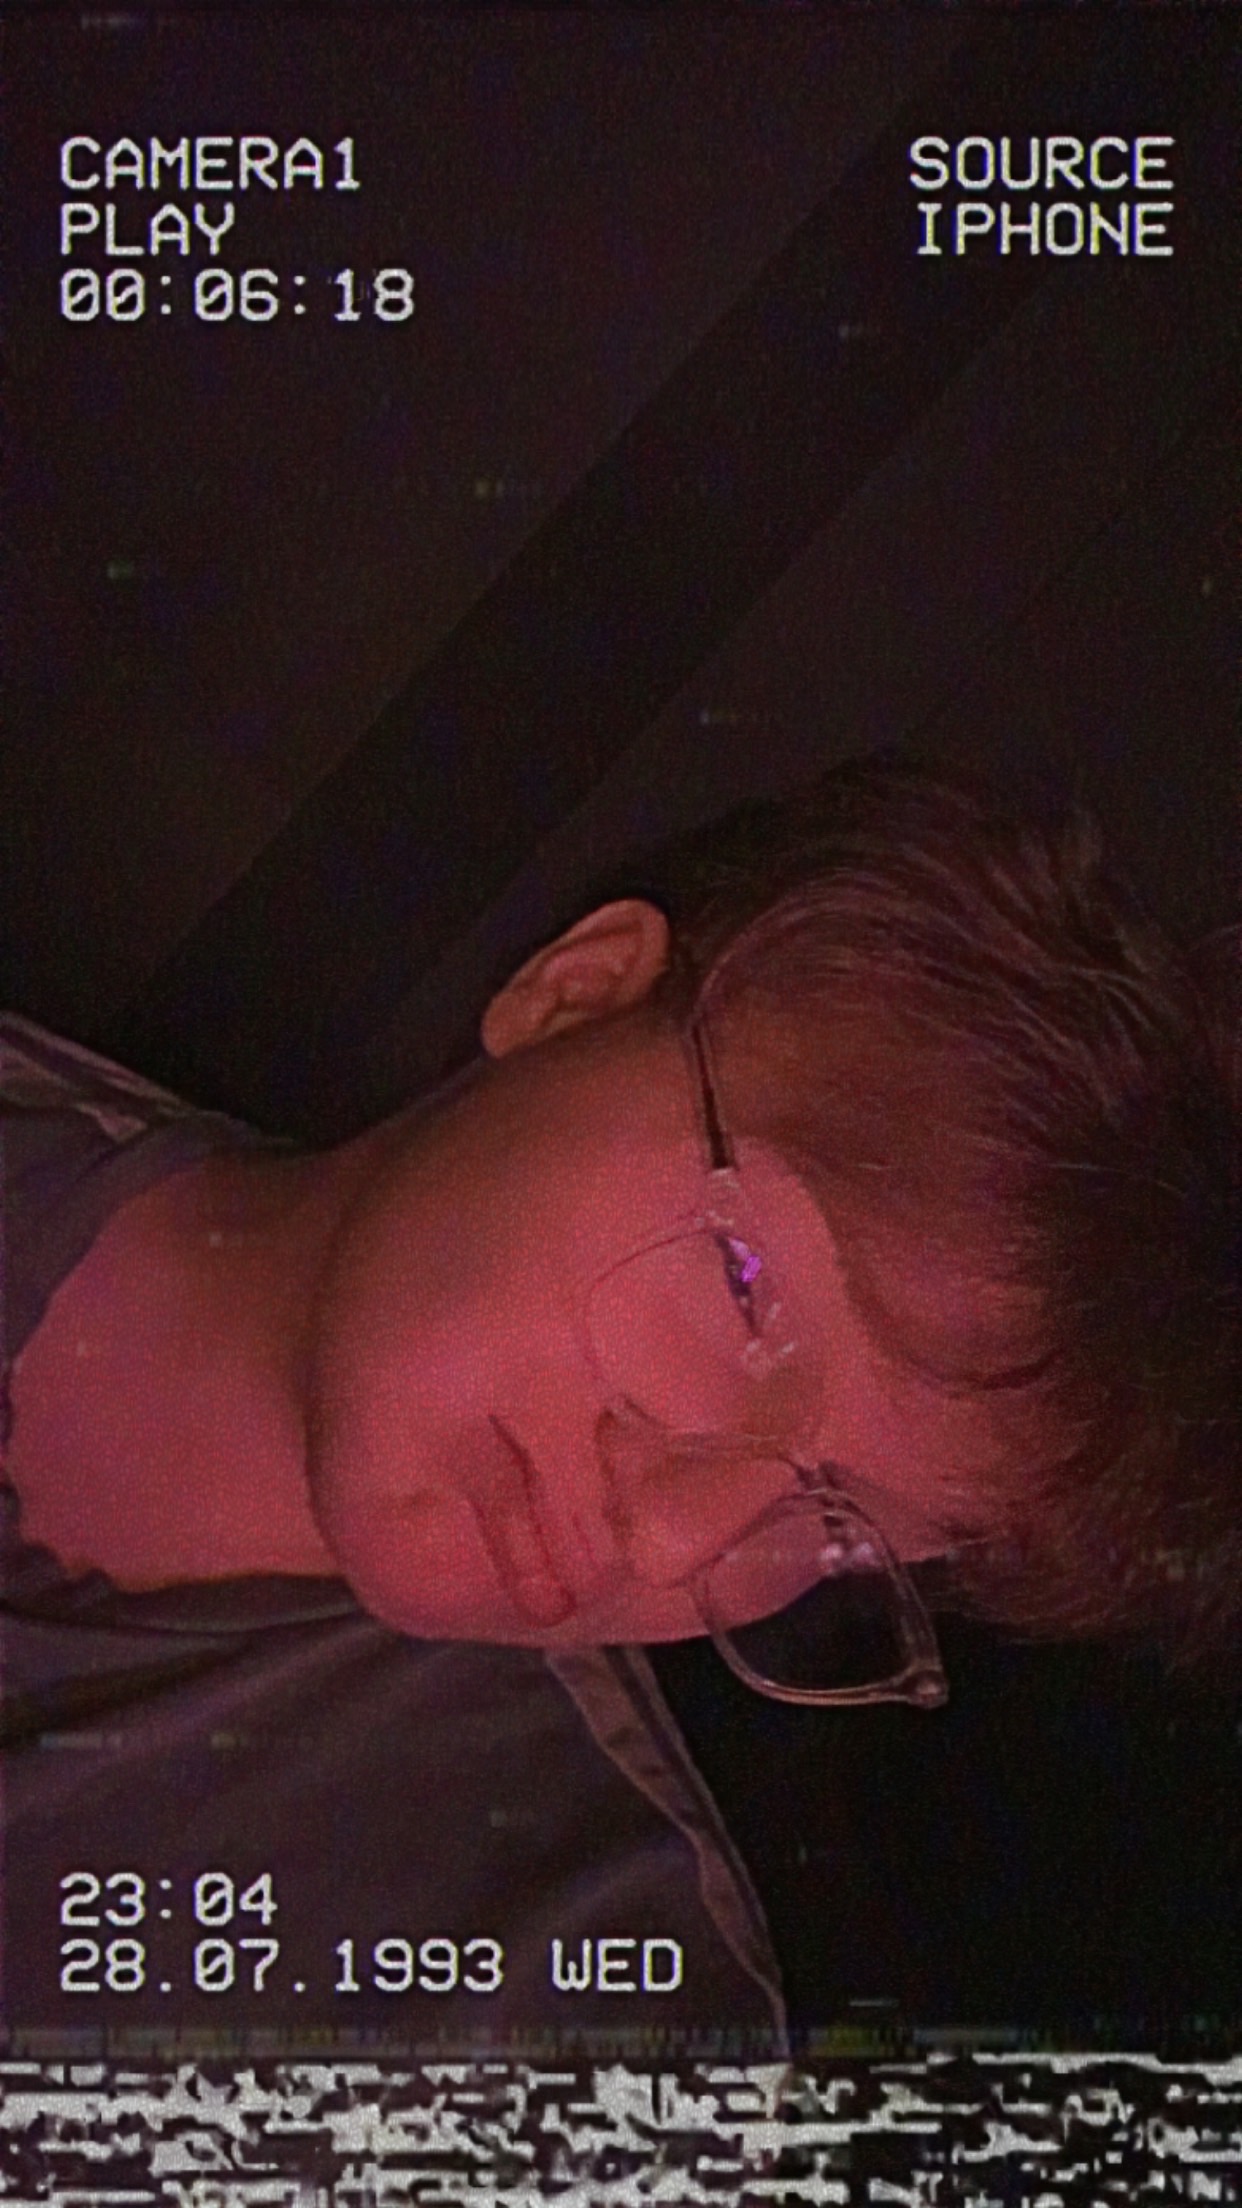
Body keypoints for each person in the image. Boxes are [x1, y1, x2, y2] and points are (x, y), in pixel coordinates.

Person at [1, 756, 1236, 2051]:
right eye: (744, 1299)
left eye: (836, 1531)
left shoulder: (536, 2004)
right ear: (572, 996)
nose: (676, 1538)